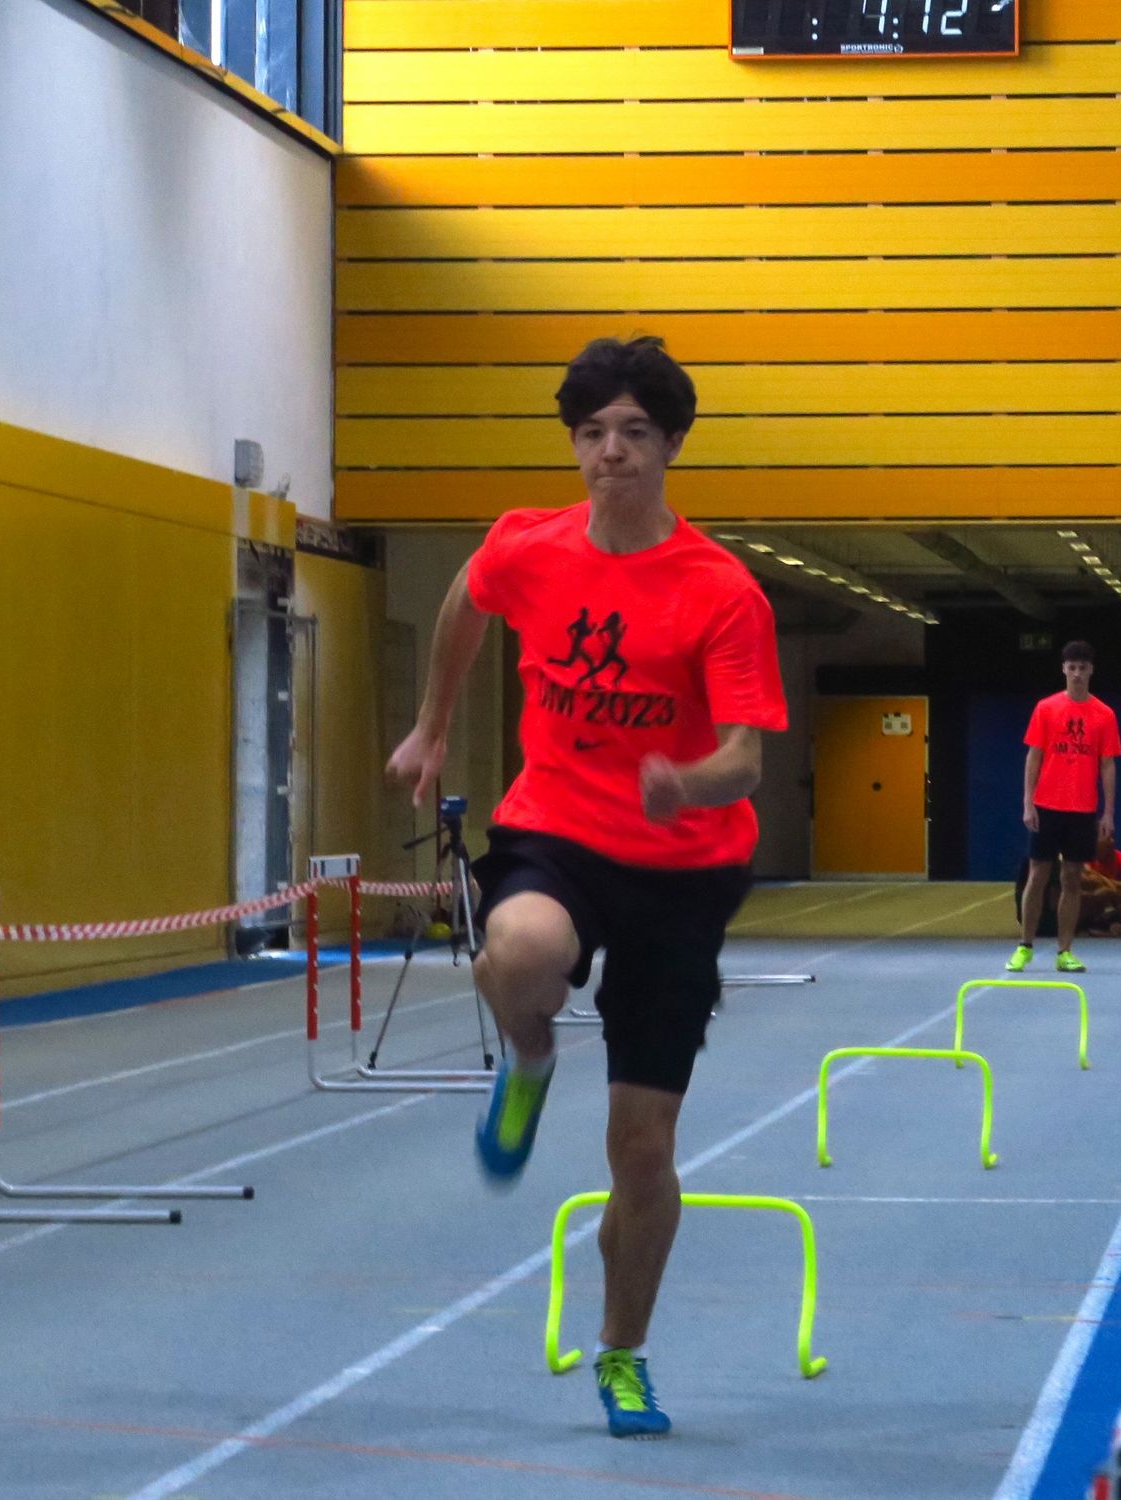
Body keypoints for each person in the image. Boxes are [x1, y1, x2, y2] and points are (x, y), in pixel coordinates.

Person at [385, 337, 787, 1440]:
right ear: (574, 445)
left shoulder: (719, 591)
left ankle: (622, 1353)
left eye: (635, 433)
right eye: (593, 433)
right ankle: (527, 1059)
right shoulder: (530, 546)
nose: (612, 452)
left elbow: (746, 758)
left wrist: (684, 782)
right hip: (557, 828)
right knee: (520, 950)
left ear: (670, 446)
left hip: (683, 868)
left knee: (642, 1152)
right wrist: (432, 723)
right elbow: (467, 598)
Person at [1011, 641, 1121, 974]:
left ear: (1091, 670)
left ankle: (1065, 951)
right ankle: (1025, 945)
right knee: (1038, 874)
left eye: (1082, 668)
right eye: (1071, 667)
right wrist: (1028, 802)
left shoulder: (1104, 714)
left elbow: (1108, 765)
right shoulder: (1046, 708)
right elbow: (1034, 756)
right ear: (1063, 669)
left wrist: (1108, 812)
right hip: (1046, 805)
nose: (1076, 674)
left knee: (1072, 878)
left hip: (1082, 808)